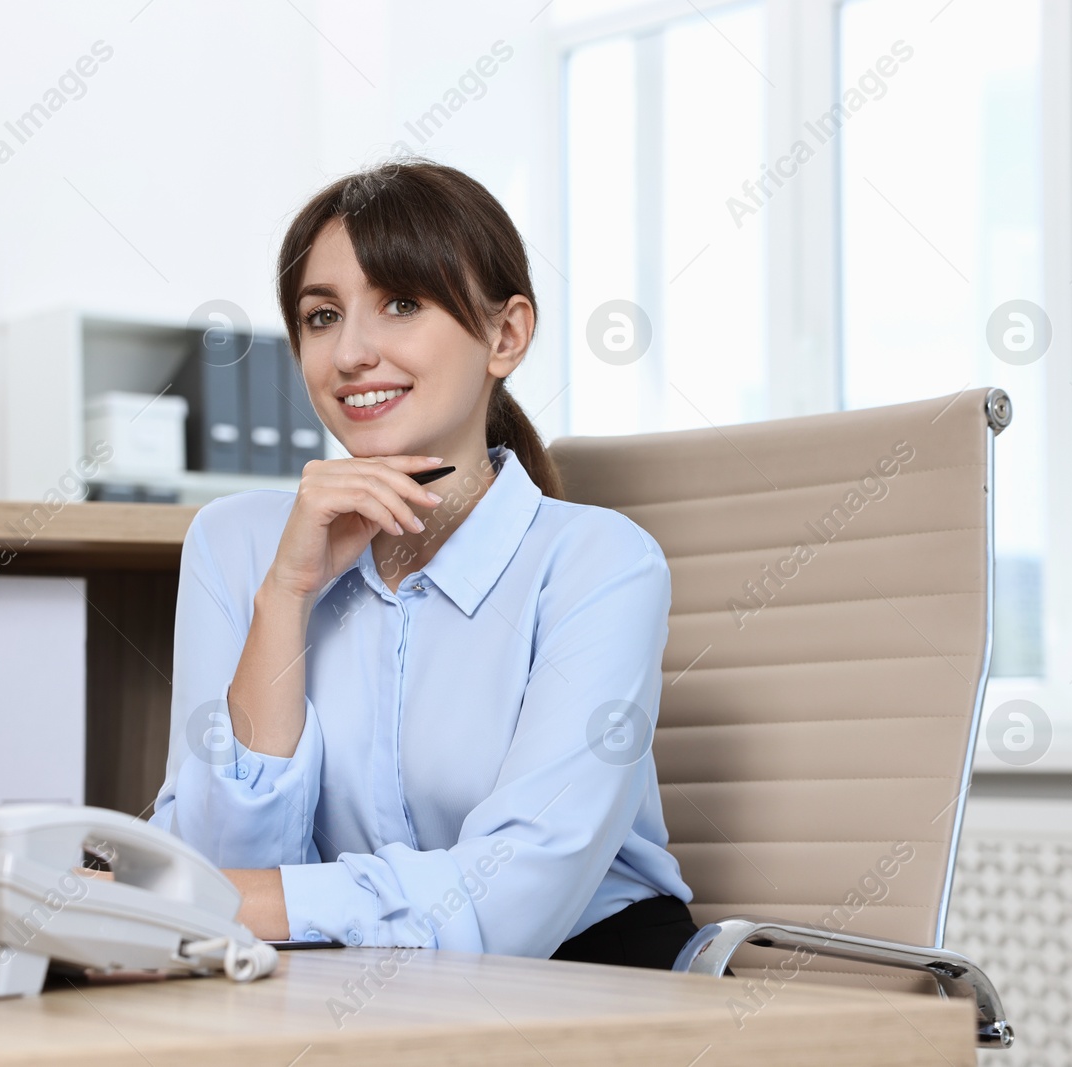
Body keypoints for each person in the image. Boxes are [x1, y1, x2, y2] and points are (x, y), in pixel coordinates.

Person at [148, 159, 698, 969]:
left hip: (584, 977)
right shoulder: (235, 543)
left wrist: (211, 899)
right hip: (328, 976)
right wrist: (286, 596)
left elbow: (511, 899)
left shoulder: (599, 564)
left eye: (401, 303)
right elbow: (216, 856)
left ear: (505, 336)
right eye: (323, 315)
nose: (351, 353)